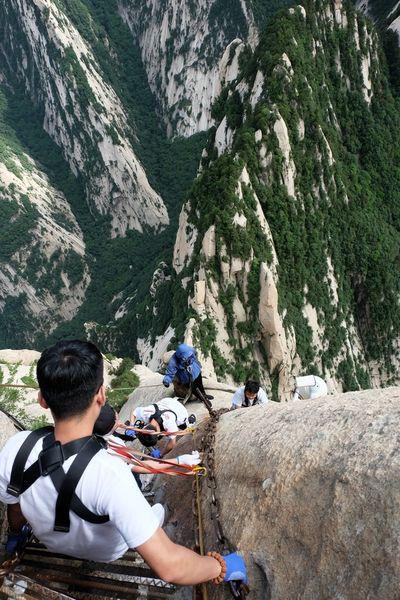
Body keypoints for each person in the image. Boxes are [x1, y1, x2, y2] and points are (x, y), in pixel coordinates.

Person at [0, 340, 246, 587]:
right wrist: (222, 566)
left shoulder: (16, 448)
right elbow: (170, 567)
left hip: (51, 540)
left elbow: (15, 508)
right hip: (106, 552)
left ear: (42, 399)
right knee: (158, 510)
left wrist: (15, 534)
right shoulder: (111, 473)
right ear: (101, 396)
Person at [93, 403, 201, 485]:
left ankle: (187, 423)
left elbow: (172, 443)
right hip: (170, 405)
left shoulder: (102, 437)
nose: (120, 421)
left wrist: (131, 426)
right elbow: (141, 467)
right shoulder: (111, 448)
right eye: (117, 420)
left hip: (178, 412)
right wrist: (178, 461)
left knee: (182, 425)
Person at [129, 397, 195, 457]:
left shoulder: (169, 425)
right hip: (167, 402)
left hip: (181, 411)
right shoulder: (147, 413)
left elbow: (172, 443)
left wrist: (161, 454)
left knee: (183, 428)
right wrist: (131, 426)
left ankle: (190, 421)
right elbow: (133, 412)